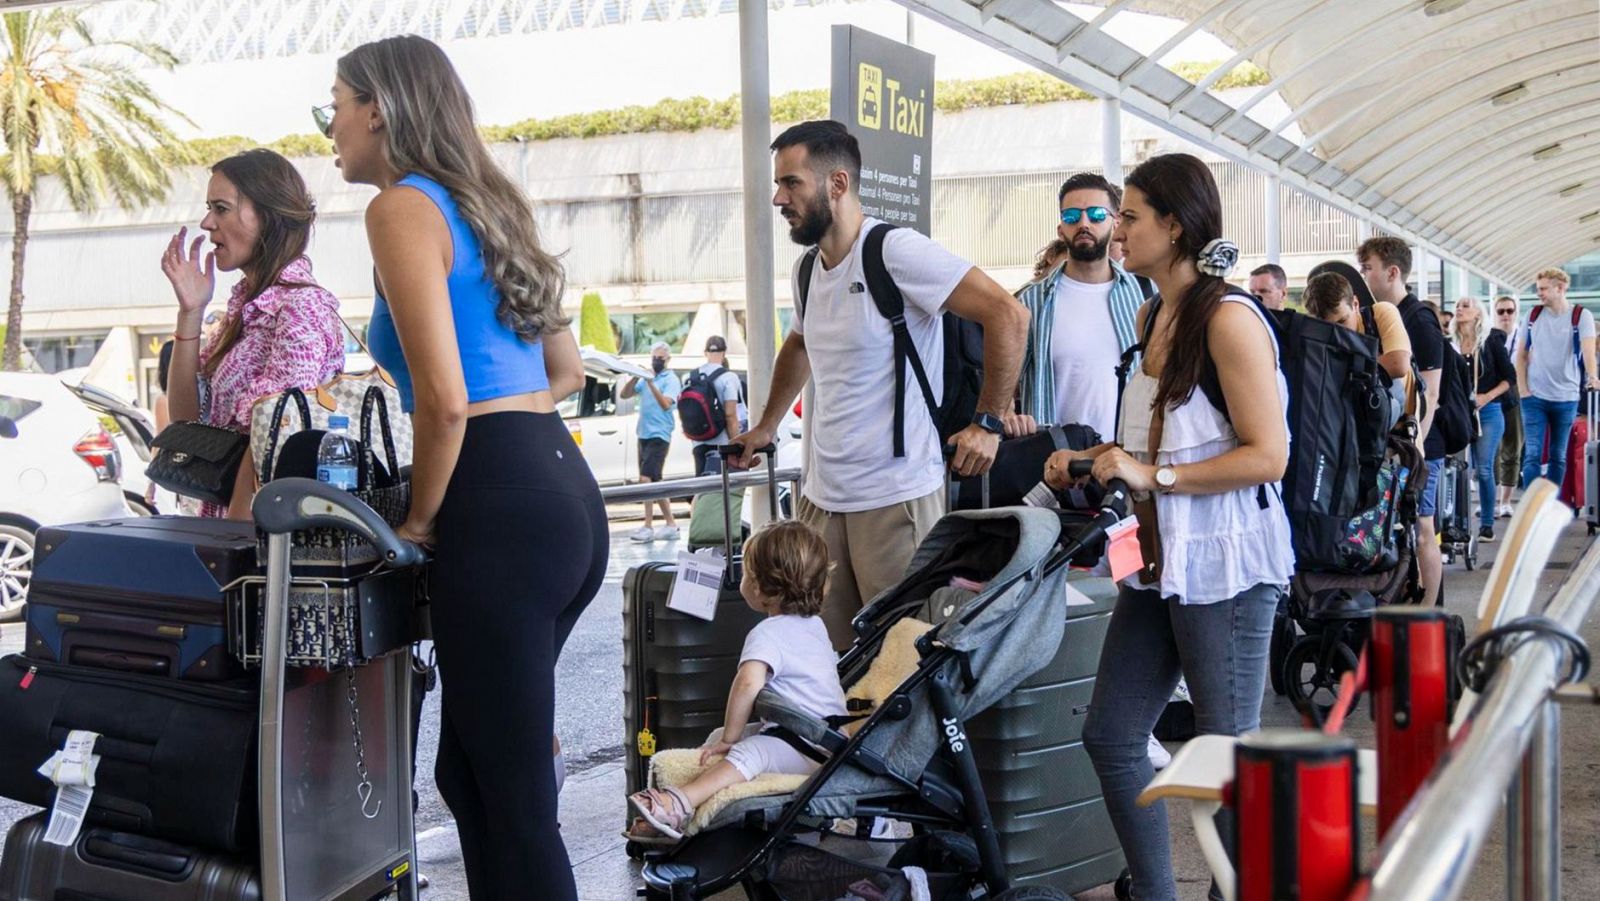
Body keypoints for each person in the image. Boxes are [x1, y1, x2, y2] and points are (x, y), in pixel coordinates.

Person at [324, 34, 604, 900]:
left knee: (514, 798)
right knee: (474, 774)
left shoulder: (402, 208)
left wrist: (415, 521)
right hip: (559, 489)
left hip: (498, 503)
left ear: (379, 108)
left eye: (334, 105)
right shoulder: (487, 201)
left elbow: (443, 401)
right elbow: (566, 371)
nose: (330, 126)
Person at [1044, 153, 1292, 901]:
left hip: (1226, 565)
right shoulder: (1152, 313)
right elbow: (1160, 438)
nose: (1115, 229)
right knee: (1113, 734)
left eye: (1127, 215)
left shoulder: (1228, 318)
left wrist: (1157, 478)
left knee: (1227, 759)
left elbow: (1269, 455)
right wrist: (1091, 459)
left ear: (1174, 225)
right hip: (1159, 561)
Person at [734, 120, 1029, 651]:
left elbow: (1007, 315)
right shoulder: (808, 270)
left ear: (838, 184)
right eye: (778, 185)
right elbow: (799, 345)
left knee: (902, 661)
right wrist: (766, 426)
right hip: (823, 500)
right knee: (833, 661)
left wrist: (988, 423)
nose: (779, 198)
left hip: (896, 498)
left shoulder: (896, 251)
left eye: (792, 183)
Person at [625, 520, 843, 840]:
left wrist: (732, 735)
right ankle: (702, 798)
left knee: (746, 750)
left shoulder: (767, 634)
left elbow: (746, 684)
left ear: (758, 588)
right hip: (822, 738)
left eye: (747, 574)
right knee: (723, 741)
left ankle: (679, 804)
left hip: (803, 742)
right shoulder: (815, 625)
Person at [158, 149, 345, 520]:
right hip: (231, 530)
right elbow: (187, 422)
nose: (207, 222)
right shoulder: (247, 308)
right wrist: (191, 312)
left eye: (221, 208)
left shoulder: (302, 308)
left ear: (268, 216)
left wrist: (235, 545)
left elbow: (275, 437)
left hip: (263, 545)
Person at [1013, 172, 1149, 443]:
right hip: (1053, 465)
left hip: (1129, 460)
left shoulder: (1146, 294)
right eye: (1072, 217)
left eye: (1097, 215)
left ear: (1116, 221)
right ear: (1060, 228)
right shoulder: (1030, 302)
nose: (1084, 223)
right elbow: (1005, 379)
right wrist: (1005, 413)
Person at [1359, 236, 1445, 606]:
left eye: (1367, 269)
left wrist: (1414, 452)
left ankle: (1429, 614)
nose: (1361, 275)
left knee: (1423, 529)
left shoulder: (1418, 320)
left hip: (1422, 445)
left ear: (1392, 272)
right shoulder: (1377, 317)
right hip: (1398, 446)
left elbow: (1432, 394)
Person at [1516, 267, 1599, 491]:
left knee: (1558, 455)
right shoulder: (1533, 315)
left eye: (1543, 289)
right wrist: (1523, 389)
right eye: (1538, 289)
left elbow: (1589, 351)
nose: (1539, 293)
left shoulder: (1581, 316)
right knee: (1532, 454)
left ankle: (1548, 504)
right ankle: (1532, 507)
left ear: (1560, 288)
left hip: (1567, 397)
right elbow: (1521, 355)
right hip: (1534, 396)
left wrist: (1593, 377)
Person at [1452, 296, 1513, 541]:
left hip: (1488, 411)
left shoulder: (1491, 342)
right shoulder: (1452, 344)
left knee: (1484, 469)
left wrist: (1486, 396)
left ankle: (1486, 523)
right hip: (1461, 413)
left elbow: (1510, 379)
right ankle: (1456, 523)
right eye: (1458, 305)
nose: (1459, 309)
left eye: (1466, 306)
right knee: (1459, 470)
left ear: (1478, 313)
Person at [1303, 262, 1413, 382]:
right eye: (1327, 327)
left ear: (1355, 304)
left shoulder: (1380, 313)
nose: (1337, 332)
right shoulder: (1312, 337)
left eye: (1342, 321)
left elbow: (1399, 364)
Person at [621, 341, 682, 541]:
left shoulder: (670, 379)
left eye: (660, 359)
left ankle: (647, 526)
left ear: (668, 360)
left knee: (645, 480)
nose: (656, 362)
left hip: (660, 434)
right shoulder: (647, 378)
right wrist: (635, 377)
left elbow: (666, 404)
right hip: (644, 433)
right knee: (655, 481)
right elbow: (624, 394)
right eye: (654, 358)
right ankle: (671, 523)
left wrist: (650, 382)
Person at [688, 335, 745, 476]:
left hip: (698, 441)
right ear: (724, 353)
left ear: (705, 353)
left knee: (701, 487)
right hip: (721, 441)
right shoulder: (728, 377)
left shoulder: (692, 376)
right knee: (721, 489)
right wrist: (736, 445)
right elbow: (730, 415)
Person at [1492, 296, 1523, 518]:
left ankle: (1505, 500)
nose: (1505, 315)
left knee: (1512, 445)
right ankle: (1491, 499)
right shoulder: (1489, 337)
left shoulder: (1522, 336)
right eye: (1501, 311)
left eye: (1509, 311)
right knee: (1491, 448)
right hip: (1493, 393)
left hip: (1515, 392)